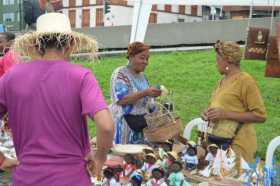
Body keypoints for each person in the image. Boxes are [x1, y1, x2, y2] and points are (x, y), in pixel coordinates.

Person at [0, 13, 114, 186]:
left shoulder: (11, 77)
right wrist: (100, 158)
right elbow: (106, 126)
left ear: (36, 45)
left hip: (27, 178)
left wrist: (1, 160)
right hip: (72, 178)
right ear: (70, 44)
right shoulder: (81, 76)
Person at [201, 40, 266, 167]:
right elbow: (217, 107)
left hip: (238, 145)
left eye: (218, 59)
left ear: (227, 60)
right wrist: (207, 113)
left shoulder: (245, 81)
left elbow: (260, 116)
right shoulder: (222, 81)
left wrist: (225, 114)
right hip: (219, 144)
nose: (216, 63)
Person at [110, 42, 161, 144]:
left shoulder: (143, 77)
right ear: (131, 57)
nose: (146, 62)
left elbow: (146, 101)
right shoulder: (120, 74)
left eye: (147, 59)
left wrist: (154, 103)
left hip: (140, 126)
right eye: (142, 58)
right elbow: (121, 100)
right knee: (124, 156)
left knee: (139, 157)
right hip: (124, 126)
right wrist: (146, 92)